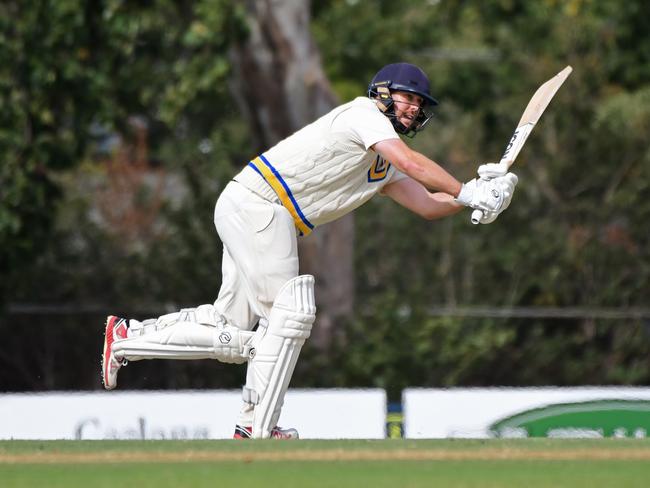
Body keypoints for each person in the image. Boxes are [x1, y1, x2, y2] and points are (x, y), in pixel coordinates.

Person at [101, 62, 518, 439]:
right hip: (262, 204)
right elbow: (411, 162)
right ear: (383, 93)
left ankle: (125, 339)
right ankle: (256, 426)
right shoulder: (363, 116)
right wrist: (468, 189)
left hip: (254, 209)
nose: (413, 108)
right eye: (408, 98)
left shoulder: (385, 163)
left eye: (419, 103)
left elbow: (427, 204)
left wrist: (472, 200)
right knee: (290, 314)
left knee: (227, 321)